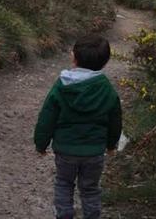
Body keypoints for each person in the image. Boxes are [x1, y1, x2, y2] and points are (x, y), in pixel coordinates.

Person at [33, 35, 122, 219]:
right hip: (94, 153)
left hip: (65, 150)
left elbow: (47, 117)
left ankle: (64, 214)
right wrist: (112, 144)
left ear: (73, 57)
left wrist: (41, 144)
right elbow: (115, 120)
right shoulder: (107, 89)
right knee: (90, 189)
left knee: (64, 184)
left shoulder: (62, 86)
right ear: (105, 63)